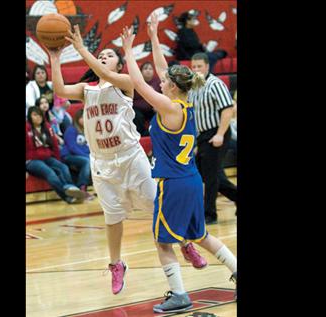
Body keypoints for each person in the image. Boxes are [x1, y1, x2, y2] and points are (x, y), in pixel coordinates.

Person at [48, 24, 206, 295]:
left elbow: (106, 73)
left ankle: (184, 244)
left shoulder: (125, 84)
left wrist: (82, 48)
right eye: (102, 55)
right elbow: (60, 90)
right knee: (112, 218)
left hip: (131, 157)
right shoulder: (88, 89)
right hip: (101, 162)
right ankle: (116, 264)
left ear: (120, 64)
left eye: (109, 55)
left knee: (158, 208)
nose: (103, 57)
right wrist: (54, 57)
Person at [120, 14, 237, 313]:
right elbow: (162, 69)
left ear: (171, 87)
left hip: (172, 184)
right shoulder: (183, 103)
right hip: (189, 179)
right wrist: (154, 35)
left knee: (162, 242)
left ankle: (179, 294)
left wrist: (129, 51)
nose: (161, 80)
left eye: (165, 81)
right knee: (200, 235)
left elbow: (138, 81)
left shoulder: (168, 107)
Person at [189, 52, 237, 224]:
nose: (196, 70)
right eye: (193, 67)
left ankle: (210, 214)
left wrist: (219, 134)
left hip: (217, 132)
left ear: (207, 66)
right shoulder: (193, 87)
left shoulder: (215, 84)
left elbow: (227, 109)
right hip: (202, 136)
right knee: (210, 175)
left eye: (199, 66)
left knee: (210, 177)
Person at [26, 106, 86, 204]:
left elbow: (54, 145)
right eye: (35, 115)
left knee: (63, 167)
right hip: (31, 160)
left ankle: (73, 189)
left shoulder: (47, 127)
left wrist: (58, 160)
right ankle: (67, 197)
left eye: (40, 115)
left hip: (47, 157)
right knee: (50, 173)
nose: (38, 117)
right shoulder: (26, 128)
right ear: (29, 116)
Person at [60, 108, 94, 200]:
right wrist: (87, 156)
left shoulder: (89, 130)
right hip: (69, 156)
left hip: (83, 156)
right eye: (82, 117)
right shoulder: (71, 130)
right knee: (87, 161)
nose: (84, 119)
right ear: (77, 119)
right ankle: (82, 188)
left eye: (86, 117)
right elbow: (72, 147)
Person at [133, 61, 161, 136]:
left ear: (153, 71)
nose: (148, 70)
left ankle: (158, 132)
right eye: (145, 68)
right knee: (136, 115)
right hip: (138, 110)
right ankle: (143, 134)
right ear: (141, 72)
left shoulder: (158, 82)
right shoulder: (136, 82)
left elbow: (162, 96)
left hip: (152, 109)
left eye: (150, 69)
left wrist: (158, 106)